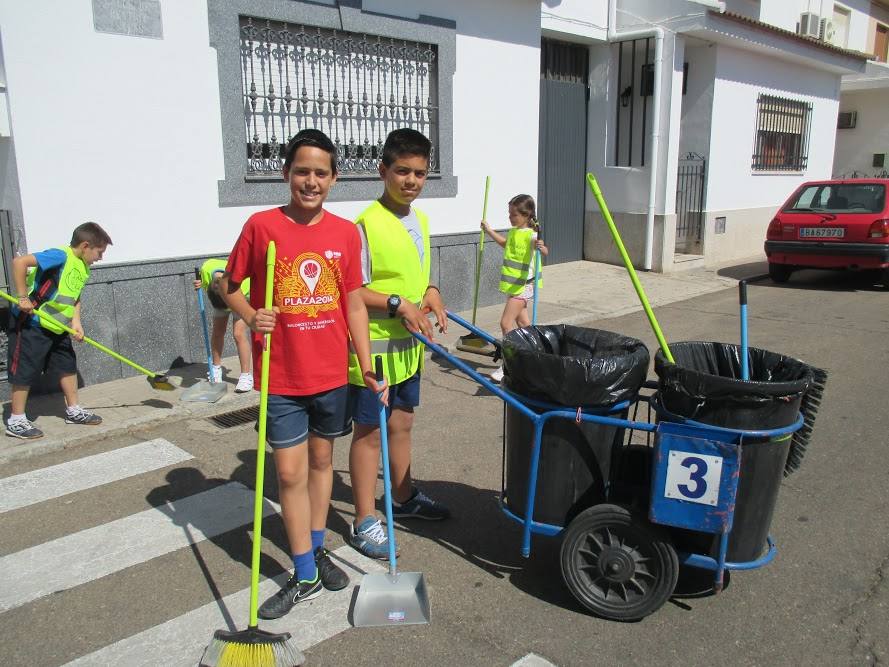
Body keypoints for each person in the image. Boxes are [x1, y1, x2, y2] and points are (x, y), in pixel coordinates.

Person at [221, 128, 387, 620]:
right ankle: (305, 573)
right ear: (286, 173)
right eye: (301, 171)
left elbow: (352, 303)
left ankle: (315, 550)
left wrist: (367, 364)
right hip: (282, 376)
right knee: (289, 473)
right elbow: (228, 286)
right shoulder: (262, 226)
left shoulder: (343, 233)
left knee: (320, 467)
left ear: (334, 178)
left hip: (332, 374)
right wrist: (252, 316)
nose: (310, 181)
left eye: (320, 172)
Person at [347, 128, 450, 560]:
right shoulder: (365, 225)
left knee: (402, 425)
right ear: (382, 170)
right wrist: (397, 303)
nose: (411, 180)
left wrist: (430, 291)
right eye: (402, 171)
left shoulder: (419, 219)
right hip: (374, 350)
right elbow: (352, 292)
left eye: (420, 173)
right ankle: (364, 519)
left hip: (409, 347)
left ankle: (403, 498)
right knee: (369, 433)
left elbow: (417, 269)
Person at [5, 222, 113, 440]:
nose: (100, 258)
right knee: (25, 370)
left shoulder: (83, 266)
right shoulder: (59, 256)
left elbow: (74, 296)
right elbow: (19, 262)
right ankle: (16, 420)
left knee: (67, 365)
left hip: (58, 325)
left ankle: (73, 410)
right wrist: (22, 297)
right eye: (99, 252)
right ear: (85, 245)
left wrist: (76, 322)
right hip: (32, 323)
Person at [481, 194, 548, 383]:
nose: (510, 218)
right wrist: (489, 231)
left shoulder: (531, 235)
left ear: (526, 215)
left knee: (505, 323)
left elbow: (543, 250)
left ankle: (509, 364)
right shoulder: (513, 232)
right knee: (525, 325)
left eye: (514, 215)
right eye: (509, 214)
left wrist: (540, 247)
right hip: (513, 285)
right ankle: (538, 355)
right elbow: (505, 244)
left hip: (523, 287)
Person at [192, 258, 253, 392]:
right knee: (218, 332)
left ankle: (246, 375)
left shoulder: (243, 282)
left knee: (239, 333)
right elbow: (203, 282)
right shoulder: (207, 270)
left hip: (241, 297)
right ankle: (216, 368)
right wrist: (199, 283)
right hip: (220, 297)